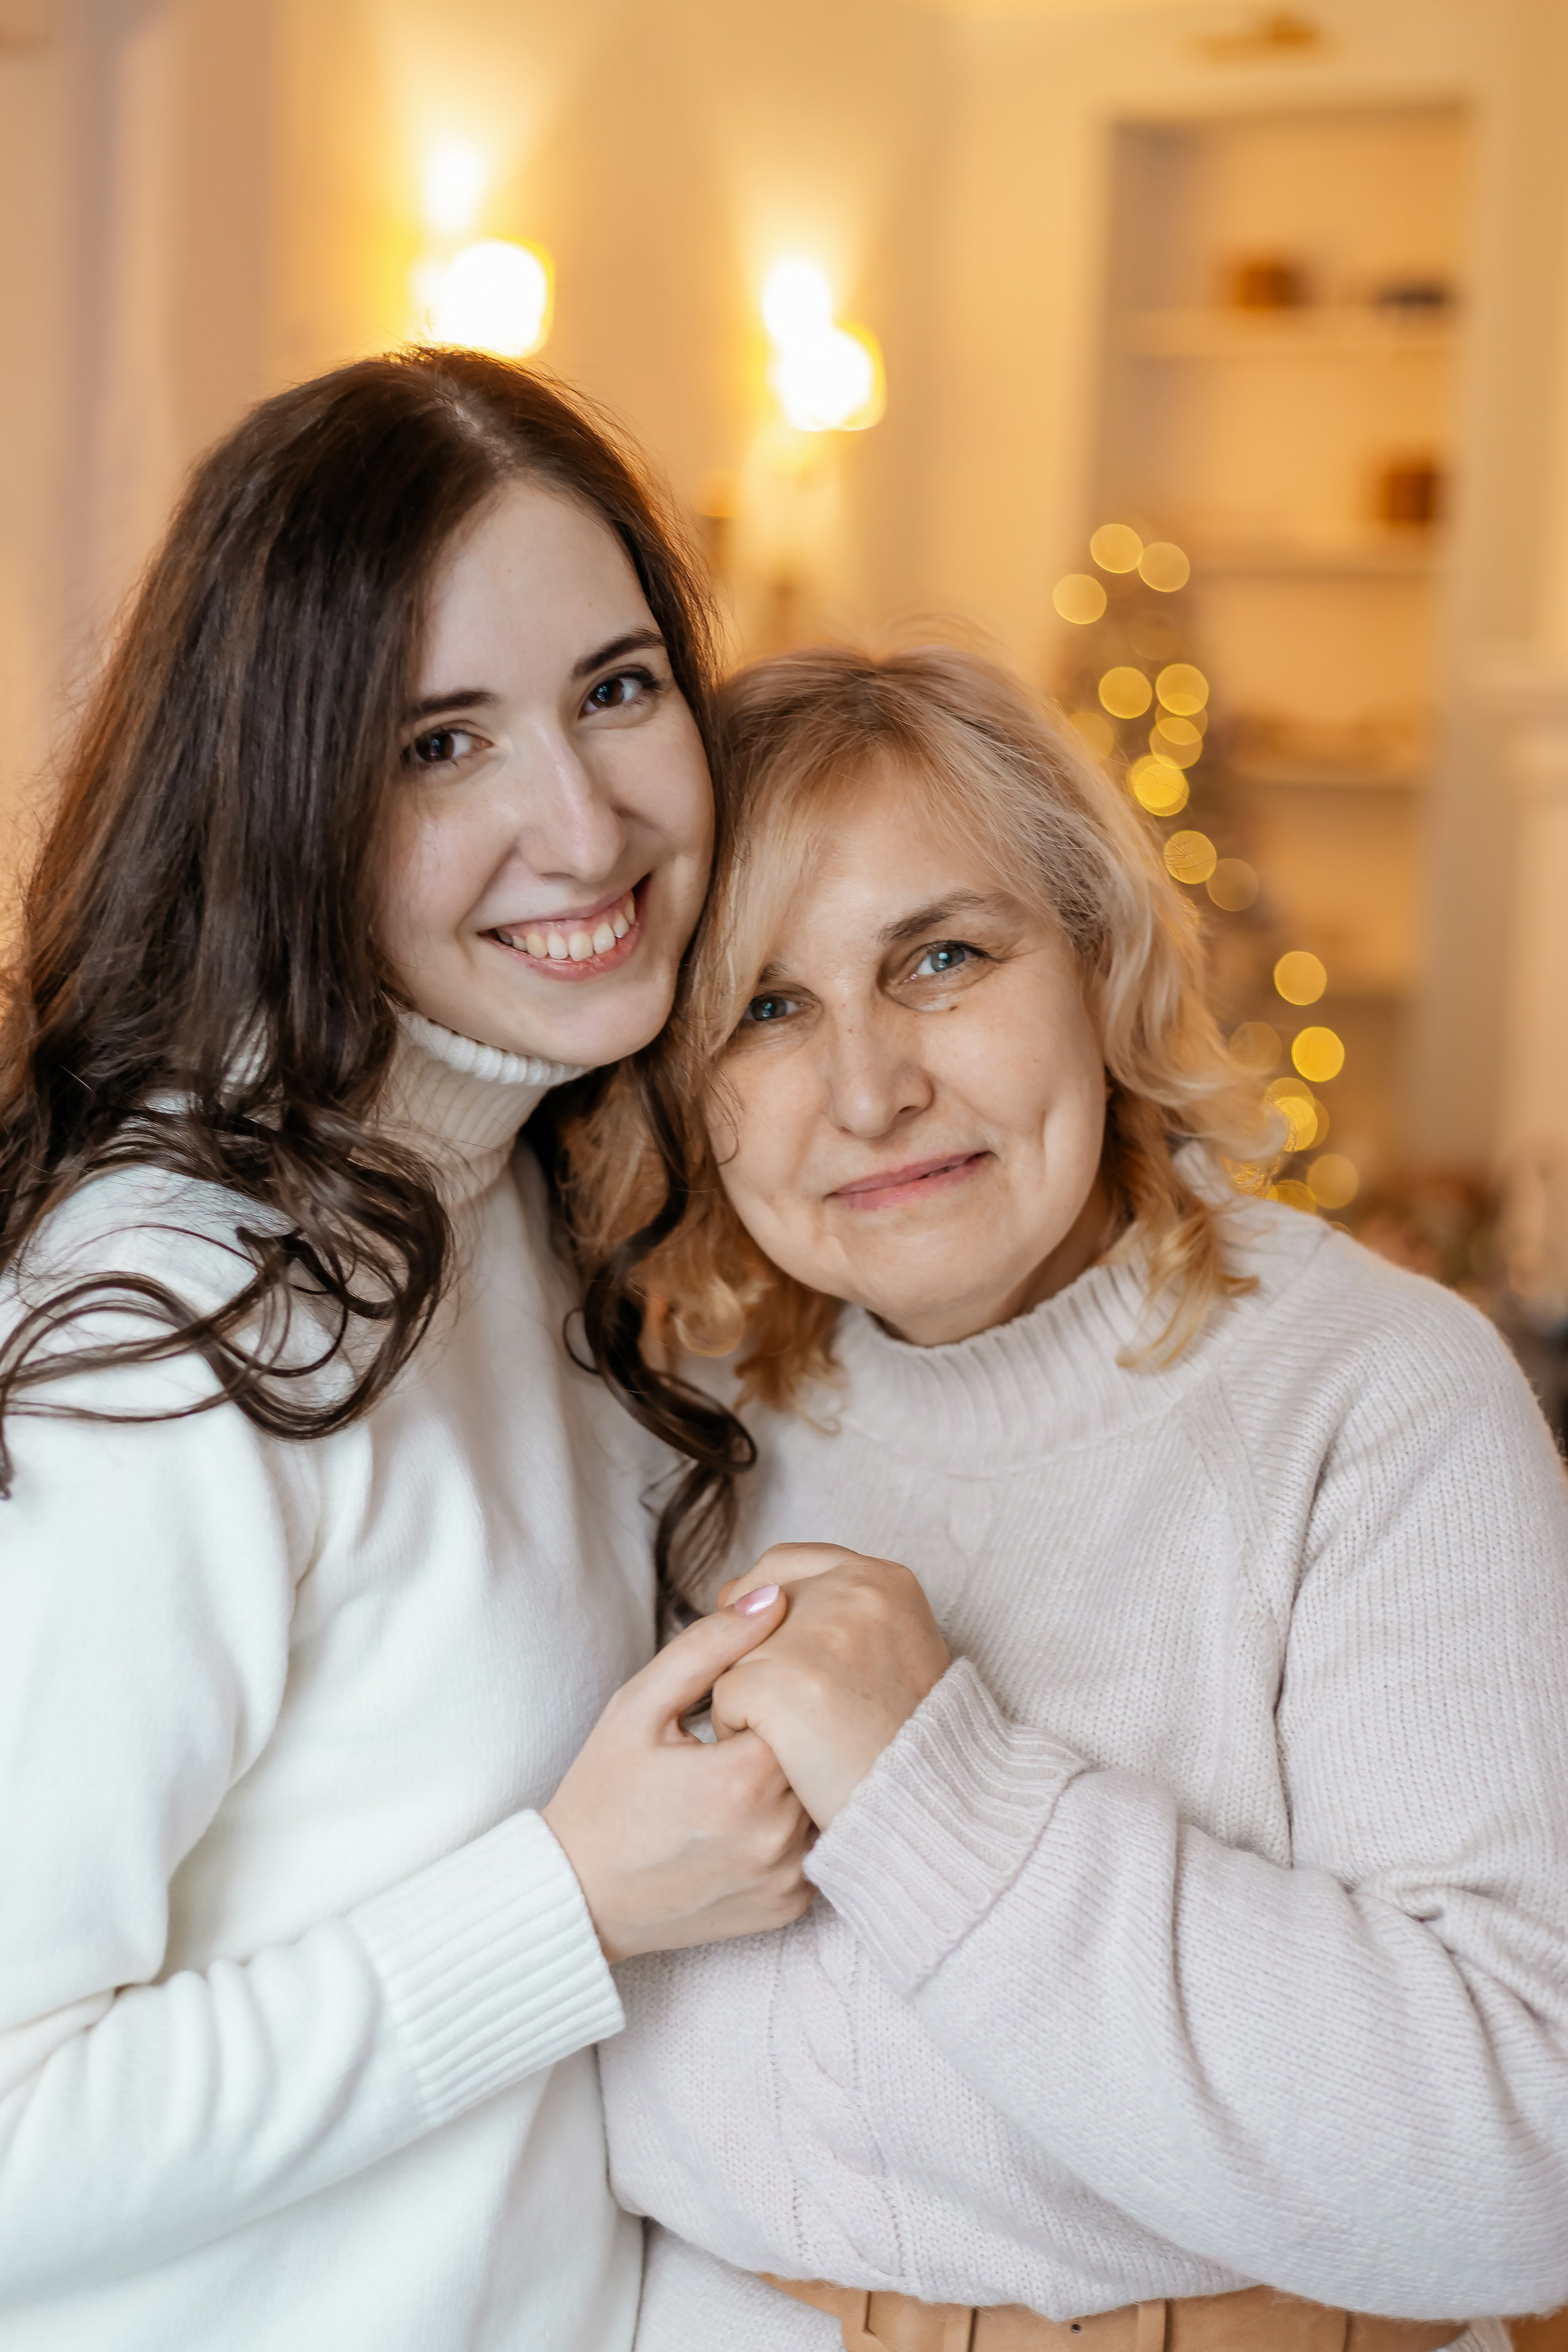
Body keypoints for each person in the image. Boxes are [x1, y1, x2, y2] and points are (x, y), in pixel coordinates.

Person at [571, 644, 1568, 2350]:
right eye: (765, 1007)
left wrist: (931, 1785)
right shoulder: (675, 1411)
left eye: (941, 959)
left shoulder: (1375, 1401)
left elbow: (1524, 2163)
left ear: (1099, 961)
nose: (872, 1088)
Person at [0, 349, 815, 2352]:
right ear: (285, 796)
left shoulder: (526, 1201)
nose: (585, 822)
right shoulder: (175, 1316)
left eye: (618, 690)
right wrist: (571, 1904)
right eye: (438, 744)